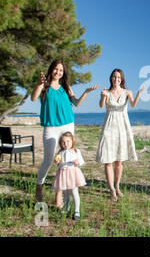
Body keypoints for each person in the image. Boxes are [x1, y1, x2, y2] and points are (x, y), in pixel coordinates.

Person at [31, 59, 98, 202]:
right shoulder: (45, 86)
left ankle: (61, 194)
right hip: (51, 127)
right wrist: (39, 83)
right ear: (51, 70)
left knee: (67, 160)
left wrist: (86, 92)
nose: (58, 72)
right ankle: (39, 186)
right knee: (49, 160)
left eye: (61, 70)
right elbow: (33, 98)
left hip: (67, 125)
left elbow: (76, 103)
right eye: (56, 69)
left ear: (63, 72)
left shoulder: (66, 86)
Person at [96, 69, 143, 201]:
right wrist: (102, 96)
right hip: (109, 126)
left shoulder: (127, 92)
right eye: (114, 77)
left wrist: (139, 94)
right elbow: (101, 106)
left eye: (118, 77)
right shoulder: (107, 92)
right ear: (111, 79)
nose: (116, 79)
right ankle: (111, 189)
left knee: (119, 161)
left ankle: (117, 186)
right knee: (108, 160)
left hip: (122, 126)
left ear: (121, 79)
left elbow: (133, 104)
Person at [52, 132, 86, 220]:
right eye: (63, 142)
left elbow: (82, 161)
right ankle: (67, 208)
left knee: (74, 192)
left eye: (68, 141)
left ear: (72, 141)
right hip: (63, 174)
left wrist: (78, 162)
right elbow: (59, 164)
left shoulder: (75, 151)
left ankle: (77, 210)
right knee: (66, 193)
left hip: (73, 174)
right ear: (60, 143)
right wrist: (57, 162)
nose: (66, 144)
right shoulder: (60, 152)